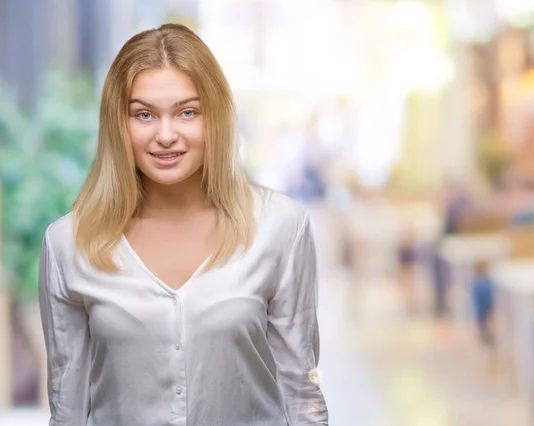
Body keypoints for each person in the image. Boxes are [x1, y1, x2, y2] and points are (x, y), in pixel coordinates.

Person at [38, 23, 328, 426]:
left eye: (187, 112)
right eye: (144, 115)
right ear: (118, 125)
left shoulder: (279, 227)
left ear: (216, 118)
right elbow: (66, 409)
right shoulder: (69, 244)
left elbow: (303, 390)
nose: (166, 135)